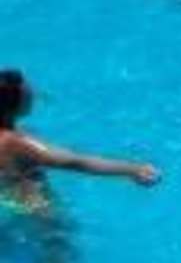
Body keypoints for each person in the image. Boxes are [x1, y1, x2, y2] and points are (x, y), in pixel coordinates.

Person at [0, 70, 159, 215]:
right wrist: (133, 169)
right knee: (59, 232)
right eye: (29, 94)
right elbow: (77, 162)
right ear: (14, 106)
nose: (34, 95)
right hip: (30, 208)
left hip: (8, 192)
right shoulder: (19, 144)